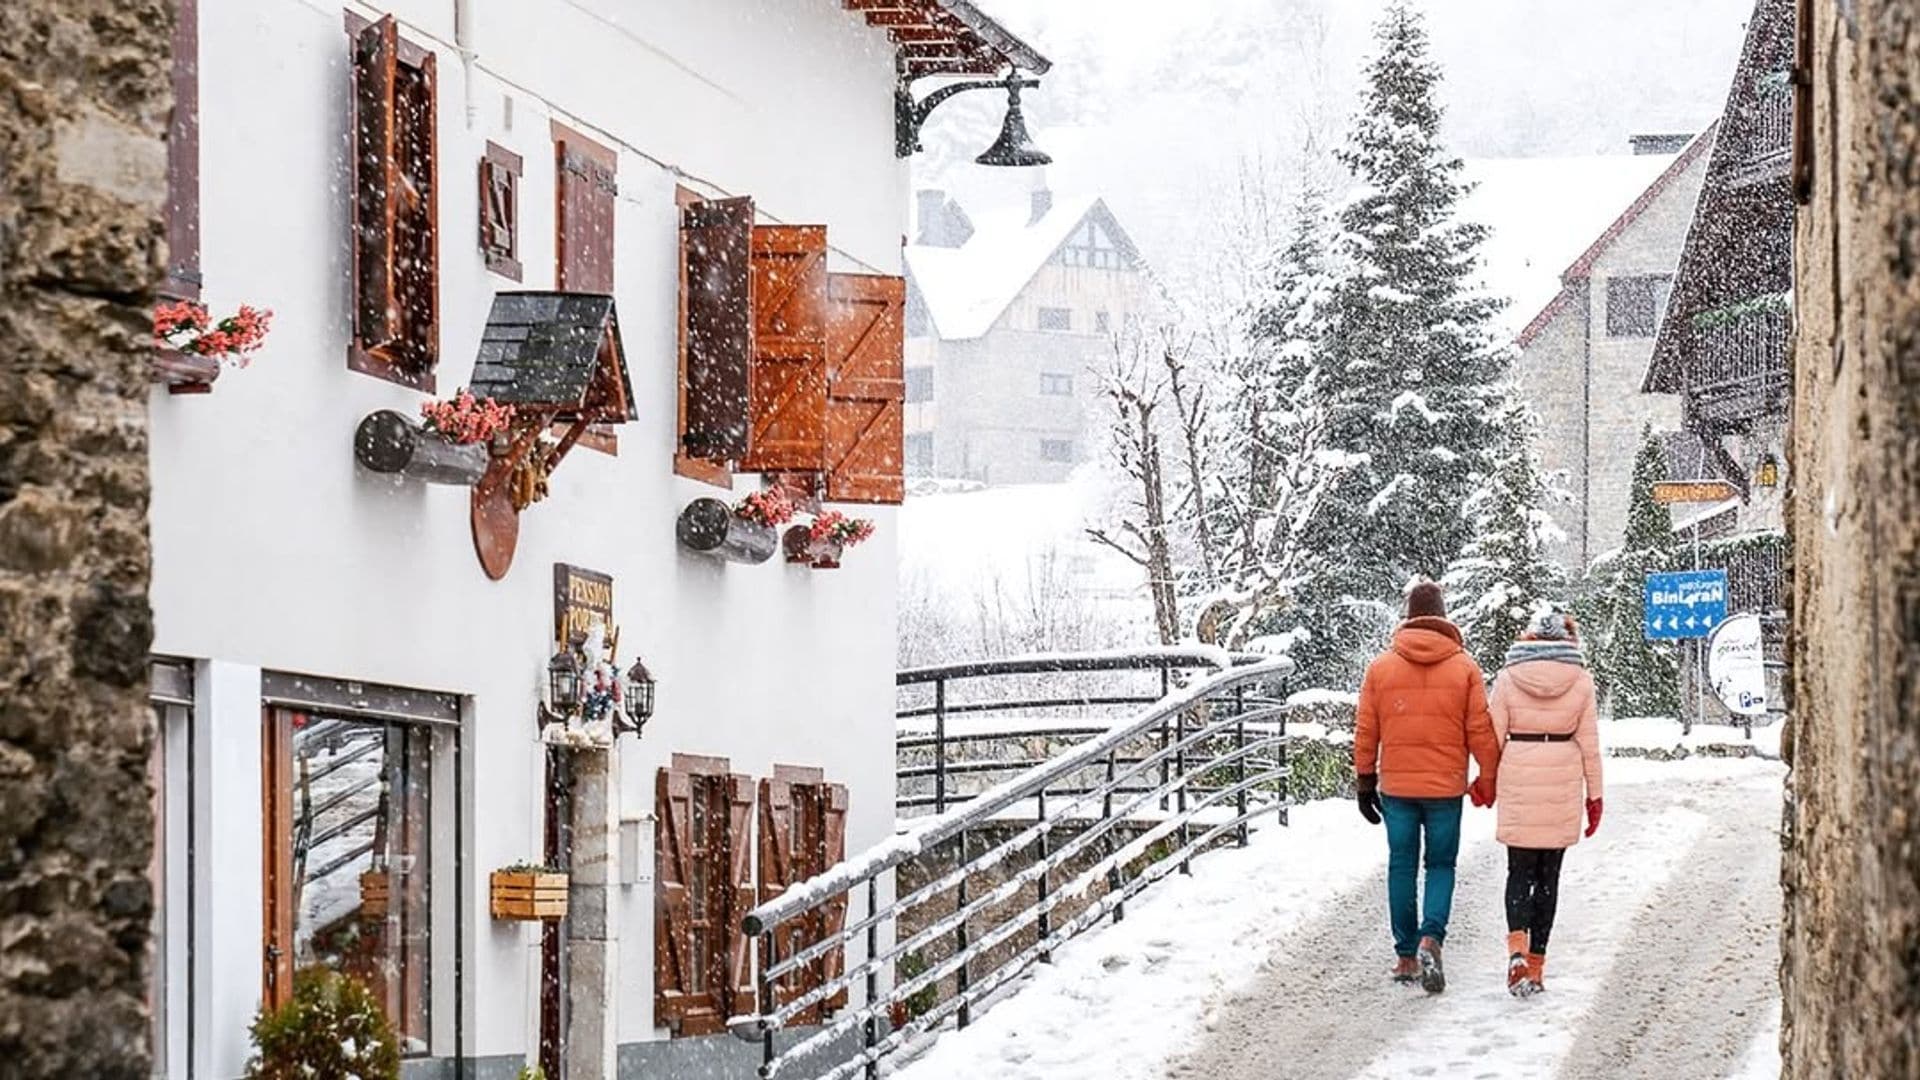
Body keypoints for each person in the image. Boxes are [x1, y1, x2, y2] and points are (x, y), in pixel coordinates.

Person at [1353, 581, 1500, 993]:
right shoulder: (1464, 667)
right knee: (1440, 864)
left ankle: (1404, 957)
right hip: (1445, 788)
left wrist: (1365, 780)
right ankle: (1431, 937)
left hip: (1397, 786)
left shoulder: (1380, 668)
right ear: (1443, 617)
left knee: (1401, 864)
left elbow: (1366, 729)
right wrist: (1488, 774)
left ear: (1408, 616)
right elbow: (1480, 730)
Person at [1487, 606, 1604, 997]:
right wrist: (1595, 796)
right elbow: (1590, 745)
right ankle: (1536, 968)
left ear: (1531, 636)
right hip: (1562, 779)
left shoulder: (1507, 679)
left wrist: (1486, 780)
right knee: (1549, 879)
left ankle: (1516, 948)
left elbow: (1492, 738)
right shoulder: (1582, 681)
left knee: (1518, 872)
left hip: (1519, 775)